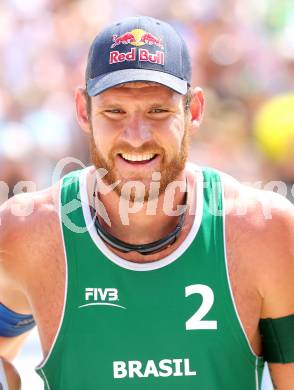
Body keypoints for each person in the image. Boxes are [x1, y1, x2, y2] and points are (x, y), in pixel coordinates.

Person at [0, 16, 294, 390]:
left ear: (195, 110)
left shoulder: (265, 232)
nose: (136, 137)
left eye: (158, 111)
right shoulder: (27, 232)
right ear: (82, 111)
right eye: (114, 111)